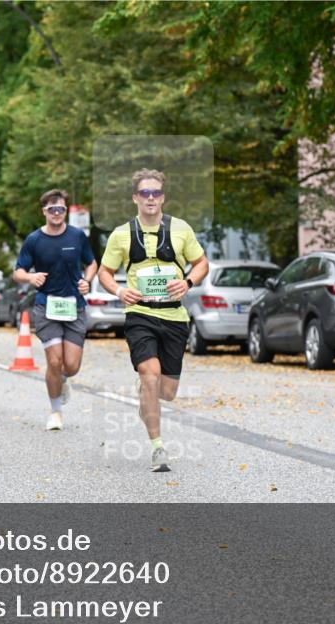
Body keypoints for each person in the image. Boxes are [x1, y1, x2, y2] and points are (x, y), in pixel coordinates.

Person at [97, 169, 209, 472]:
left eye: (155, 193)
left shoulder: (181, 229)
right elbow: (105, 272)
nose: (150, 198)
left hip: (174, 316)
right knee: (150, 374)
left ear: (163, 197)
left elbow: (201, 263)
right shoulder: (121, 234)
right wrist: (120, 291)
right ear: (135, 197)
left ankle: (146, 396)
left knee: (166, 392)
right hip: (140, 314)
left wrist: (187, 282)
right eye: (144, 193)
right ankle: (158, 447)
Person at [12, 189, 97, 431]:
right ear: (44, 212)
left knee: (71, 365)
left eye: (60, 208)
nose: (57, 213)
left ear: (65, 210)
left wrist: (87, 280)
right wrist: (31, 277)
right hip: (46, 306)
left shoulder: (77, 236)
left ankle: (63, 379)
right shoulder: (34, 240)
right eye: (52, 209)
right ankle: (55, 411)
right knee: (54, 360)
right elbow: (18, 272)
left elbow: (92, 263)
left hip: (74, 307)